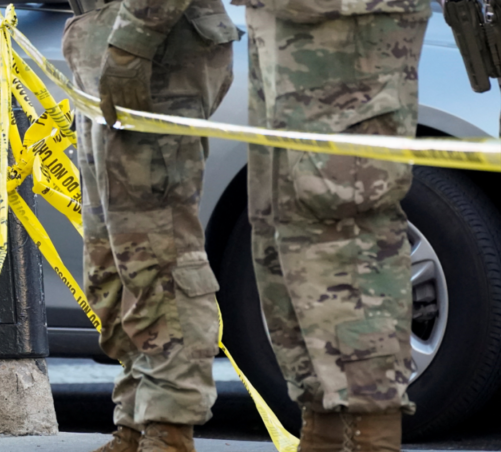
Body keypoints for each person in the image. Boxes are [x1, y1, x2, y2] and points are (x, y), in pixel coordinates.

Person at [236, 0, 432, 448]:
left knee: (346, 227)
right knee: (278, 234)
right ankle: (322, 429)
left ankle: (371, 433)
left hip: (347, 26)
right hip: (281, 22)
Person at [62, 0, 239, 450]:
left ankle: (168, 427)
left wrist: (131, 44)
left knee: (157, 254)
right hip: (102, 48)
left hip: (155, 53)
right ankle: (137, 423)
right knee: (112, 261)